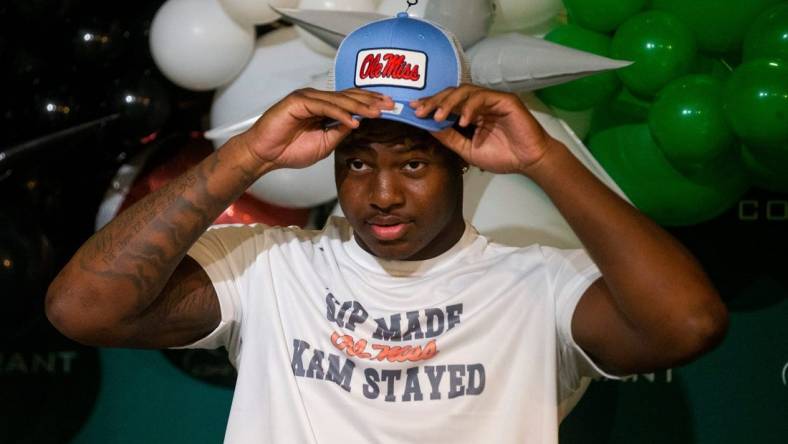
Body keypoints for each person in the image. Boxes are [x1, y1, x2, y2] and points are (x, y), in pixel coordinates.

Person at [45, 14, 728, 444]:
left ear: (462, 158)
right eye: (359, 160)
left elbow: (689, 323)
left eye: (412, 161)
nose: (381, 193)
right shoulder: (269, 268)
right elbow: (80, 308)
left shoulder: (534, 281)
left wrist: (542, 158)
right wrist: (246, 153)